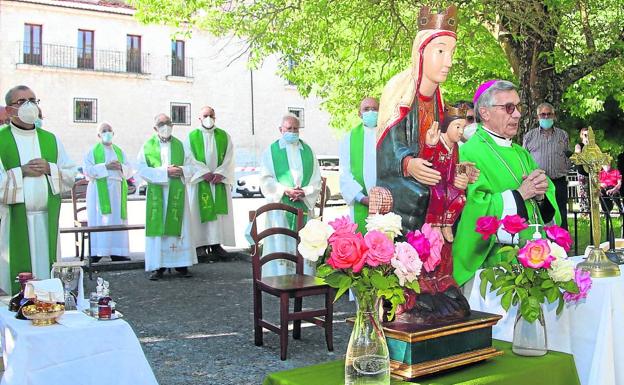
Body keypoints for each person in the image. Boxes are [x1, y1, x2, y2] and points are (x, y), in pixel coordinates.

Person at [454, 80, 561, 288]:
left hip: (535, 261)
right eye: (509, 108)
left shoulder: (522, 153)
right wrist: (520, 195)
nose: (518, 114)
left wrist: (540, 195)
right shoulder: (469, 153)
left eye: (518, 107)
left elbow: (548, 200)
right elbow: (474, 209)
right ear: (485, 113)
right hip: (493, 269)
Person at [0, 85, 77, 295]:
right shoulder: (1, 139)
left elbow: (71, 174)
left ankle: (48, 306)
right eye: (21, 101)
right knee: (16, 280)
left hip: (46, 219)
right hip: (14, 222)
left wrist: (50, 169)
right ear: (9, 110)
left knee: (46, 274)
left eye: (32, 100)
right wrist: (20, 172)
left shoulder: (50, 139)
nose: (29, 105)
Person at [137, 113, 197, 280]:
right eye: (161, 123)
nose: (166, 126)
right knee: (159, 229)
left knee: (180, 227)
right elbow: (141, 169)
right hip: (158, 194)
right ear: (155, 128)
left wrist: (182, 171)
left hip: (177, 191)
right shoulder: (147, 146)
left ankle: (181, 264)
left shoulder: (181, 145)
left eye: (168, 122)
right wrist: (164, 172)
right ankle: (158, 265)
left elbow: (193, 166)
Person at [259, 115, 321, 276]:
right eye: (289, 129)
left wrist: (305, 192)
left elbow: (316, 179)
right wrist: (285, 190)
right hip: (280, 206)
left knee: (304, 241)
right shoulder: (271, 151)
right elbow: (266, 179)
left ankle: (305, 275)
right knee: (281, 240)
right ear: (281, 130)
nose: (292, 132)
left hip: (303, 204)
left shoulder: (308, 151)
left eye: (295, 129)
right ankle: (280, 276)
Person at [185, 106, 235, 261]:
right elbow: (189, 157)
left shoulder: (224, 136)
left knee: (218, 214)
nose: (208, 118)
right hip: (201, 181)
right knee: (198, 212)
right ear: (199, 118)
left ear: (215, 117)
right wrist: (202, 172)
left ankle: (216, 244)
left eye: (211, 115)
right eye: (205, 115)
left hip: (218, 181)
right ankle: (199, 245)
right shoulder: (191, 136)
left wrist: (221, 173)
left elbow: (230, 157)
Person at [83, 122, 133, 263]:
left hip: (117, 190)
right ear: (99, 135)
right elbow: (87, 171)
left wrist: (121, 166)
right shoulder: (92, 151)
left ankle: (118, 252)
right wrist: (105, 166)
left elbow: (129, 171)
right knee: (100, 220)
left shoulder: (119, 151)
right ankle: (97, 252)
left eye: (109, 130)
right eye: (104, 131)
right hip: (99, 192)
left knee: (117, 219)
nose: (107, 133)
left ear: (113, 133)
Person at [523, 102, 572, 229]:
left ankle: (562, 245)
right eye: (542, 114)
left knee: (561, 213)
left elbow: (568, 156)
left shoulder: (563, 135)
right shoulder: (530, 136)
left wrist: (565, 169)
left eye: (548, 114)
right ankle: (542, 244)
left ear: (554, 116)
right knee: (541, 214)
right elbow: (524, 159)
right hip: (539, 183)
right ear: (537, 117)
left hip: (558, 182)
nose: (546, 117)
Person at [339, 97, 378, 234]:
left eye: (374, 109)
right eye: (366, 109)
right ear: (359, 113)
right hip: (360, 202)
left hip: (385, 204)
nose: (371, 112)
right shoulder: (349, 138)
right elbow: (345, 173)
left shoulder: (387, 135)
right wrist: (361, 197)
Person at [575, 127, 590, 213]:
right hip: (582, 172)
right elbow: (578, 155)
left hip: (592, 173)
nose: (587, 136)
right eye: (585, 135)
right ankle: (584, 212)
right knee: (584, 193)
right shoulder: (579, 145)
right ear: (582, 135)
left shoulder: (594, 147)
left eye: (589, 135)